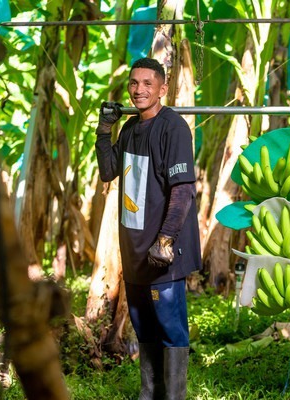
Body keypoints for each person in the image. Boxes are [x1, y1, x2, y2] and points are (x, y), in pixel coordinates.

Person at [95, 57, 201, 400]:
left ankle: (174, 396)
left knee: (170, 326)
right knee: (143, 325)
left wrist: (165, 239)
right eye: (133, 83)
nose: (138, 90)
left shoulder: (173, 128)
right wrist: (104, 129)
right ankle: (150, 393)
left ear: (162, 89)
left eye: (147, 84)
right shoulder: (130, 129)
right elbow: (108, 171)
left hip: (163, 250)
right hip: (135, 249)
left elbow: (183, 189)